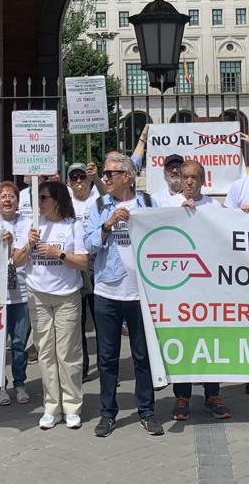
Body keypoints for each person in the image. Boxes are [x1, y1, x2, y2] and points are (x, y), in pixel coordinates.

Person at [85, 153, 163, 437]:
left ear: (127, 177)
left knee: (142, 356)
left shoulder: (149, 202)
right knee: (107, 357)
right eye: (104, 174)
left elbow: (171, 227)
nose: (104, 179)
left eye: (109, 174)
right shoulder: (99, 205)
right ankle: (107, 413)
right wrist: (107, 225)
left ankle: (147, 411)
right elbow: (88, 244)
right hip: (107, 291)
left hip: (141, 292)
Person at [18, 181, 88, 429]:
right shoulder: (31, 226)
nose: (40, 203)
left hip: (67, 296)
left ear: (57, 200)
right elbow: (15, 261)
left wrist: (58, 254)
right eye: (37, 198)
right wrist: (28, 243)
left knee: (67, 353)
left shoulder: (73, 226)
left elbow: (83, 262)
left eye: (44, 198)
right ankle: (51, 406)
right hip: (38, 296)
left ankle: (72, 406)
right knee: (45, 353)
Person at [168, 160, 230, 421]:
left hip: (207, 286)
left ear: (203, 180)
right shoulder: (168, 206)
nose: (190, 182)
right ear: (179, 180)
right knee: (183, 339)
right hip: (179, 287)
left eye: (194, 177)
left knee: (209, 339)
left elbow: (226, 236)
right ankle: (181, 396)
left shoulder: (214, 207)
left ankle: (212, 395)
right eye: (185, 177)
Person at [0, 182, 31, 406]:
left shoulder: (27, 223)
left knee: (19, 341)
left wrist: (12, 246)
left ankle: (20, 383)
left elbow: (24, 254)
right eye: (2, 197)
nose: (7, 200)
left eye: (11, 196)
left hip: (22, 292)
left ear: (17, 201)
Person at [66, 162, 99, 376]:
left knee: (101, 322)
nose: (79, 182)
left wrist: (96, 178)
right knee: (77, 324)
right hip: (75, 266)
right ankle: (83, 368)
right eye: (74, 178)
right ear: (69, 182)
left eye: (82, 178)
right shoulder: (66, 204)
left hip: (98, 267)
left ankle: (106, 370)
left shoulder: (98, 200)